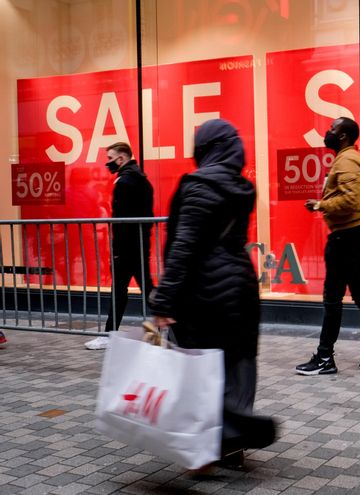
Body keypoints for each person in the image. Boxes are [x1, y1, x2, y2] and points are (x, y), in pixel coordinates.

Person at [150, 119, 274, 469]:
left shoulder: (197, 186)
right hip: (240, 286)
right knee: (238, 364)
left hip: (203, 289)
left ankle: (201, 452)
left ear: (205, 149)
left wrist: (163, 299)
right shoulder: (242, 186)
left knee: (199, 369)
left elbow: (184, 247)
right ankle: (233, 446)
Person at [295, 117, 360, 376]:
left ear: (344, 136)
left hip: (346, 238)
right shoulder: (346, 158)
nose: (327, 133)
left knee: (333, 298)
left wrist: (320, 205)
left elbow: (349, 200)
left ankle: (325, 357)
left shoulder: (348, 160)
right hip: (350, 235)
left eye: (332, 130)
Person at [85, 142, 155, 350]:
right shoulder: (143, 180)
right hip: (141, 243)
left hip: (126, 248)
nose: (108, 163)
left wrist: (117, 250)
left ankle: (109, 335)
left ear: (121, 159)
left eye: (110, 158)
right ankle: (174, 329)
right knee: (146, 288)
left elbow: (121, 220)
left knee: (121, 290)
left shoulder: (124, 182)